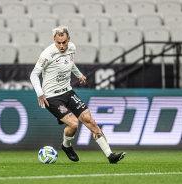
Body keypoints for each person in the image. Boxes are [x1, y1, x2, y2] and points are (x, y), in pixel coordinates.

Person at [30, 26, 125, 164]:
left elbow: (70, 63)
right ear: (54, 40)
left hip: (68, 92)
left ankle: (110, 155)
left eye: (64, 42)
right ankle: (66, 146)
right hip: (52, 97)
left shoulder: (72, 48)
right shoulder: (47, 54)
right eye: (58, 43)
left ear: (69, 39)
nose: (61, 46)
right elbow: (34, 74)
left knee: (91, 121)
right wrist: (40, 94)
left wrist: (79, 75)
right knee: (74, 124)